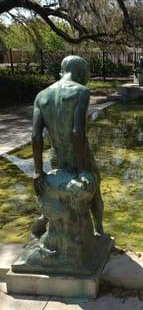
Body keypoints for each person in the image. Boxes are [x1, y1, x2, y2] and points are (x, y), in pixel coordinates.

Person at [31, 55, 103, 238]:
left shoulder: (41, 96)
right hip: (80, 156)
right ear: (80, 73)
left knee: (57, 187)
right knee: (96, 192)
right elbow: (77, 132)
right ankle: (98, 230)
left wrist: (38, 171)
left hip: (56, 155)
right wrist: (81, 170)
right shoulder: (81, 92)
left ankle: (44, 218)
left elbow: (36, 136)